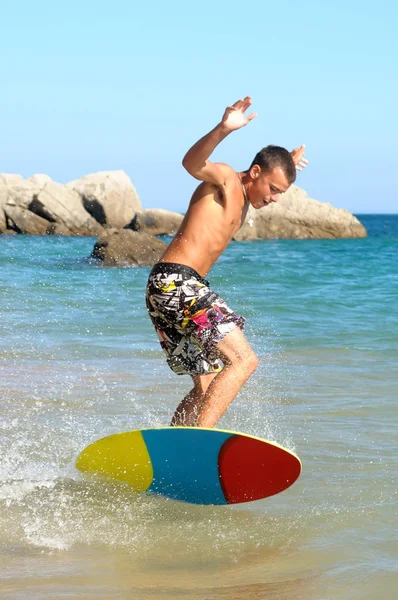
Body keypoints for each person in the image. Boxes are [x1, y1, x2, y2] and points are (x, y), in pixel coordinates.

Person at [145, 96, 308, 428]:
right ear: (255, 172)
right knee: (244, 361)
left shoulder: (250, 190)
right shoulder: (226, 181)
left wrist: (287, 161)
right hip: (177, 283)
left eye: (281, 193)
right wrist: (224, 129)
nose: (275, 199)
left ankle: (174, 451)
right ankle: (203, 443)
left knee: (205, 384)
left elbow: (271, 169)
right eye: (274, 189)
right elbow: (192, 163)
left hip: (165, 289)